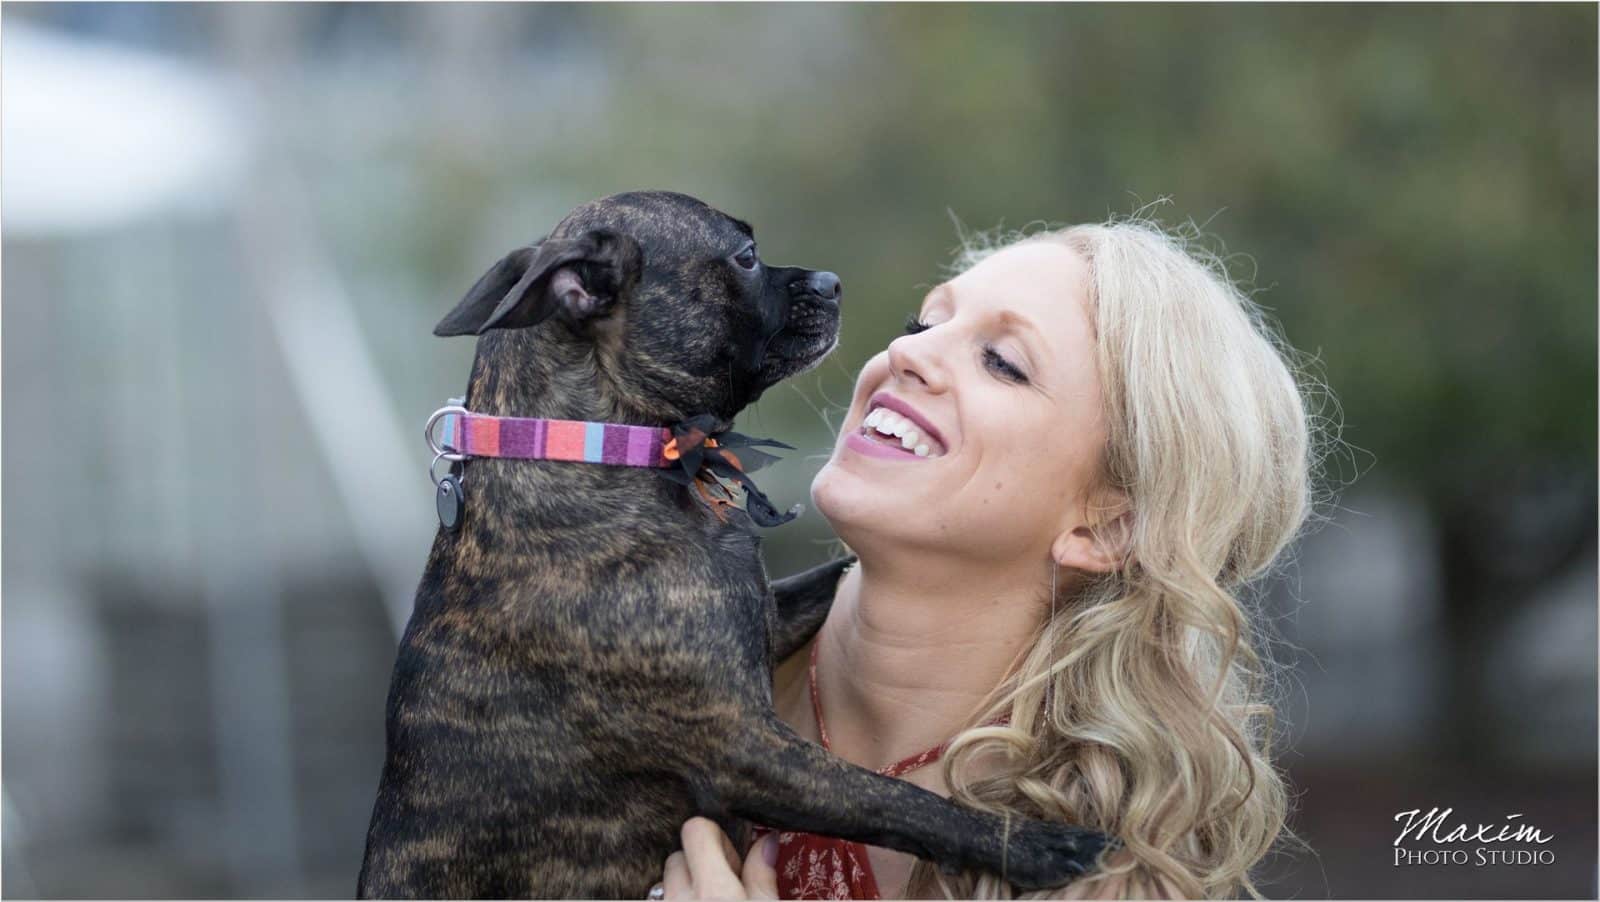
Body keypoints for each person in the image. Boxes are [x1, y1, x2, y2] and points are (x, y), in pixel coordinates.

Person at [650, 214, 1329, 899]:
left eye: (1002, 362)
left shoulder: (1109, 863)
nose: (904, 353)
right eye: (923, 324)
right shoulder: (636, 675)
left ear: (1108, 528)